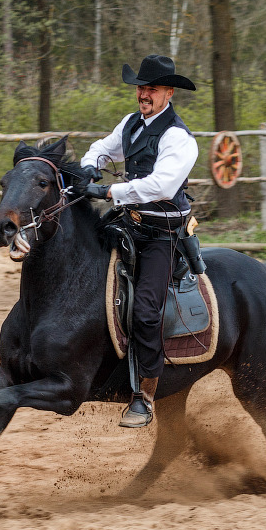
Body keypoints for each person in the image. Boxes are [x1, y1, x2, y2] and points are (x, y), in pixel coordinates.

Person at [80, 55, 198, 428]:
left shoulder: (178, 137)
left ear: (168, 92)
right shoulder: (131, 123)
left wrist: (108, 189)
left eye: (151, 89)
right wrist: (88, 165)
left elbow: (160, 186)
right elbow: (104, 146)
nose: (143, 94)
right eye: (141, 88)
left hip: (161, 236)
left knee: (146, 311)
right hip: (128, 223)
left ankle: (144, 396)